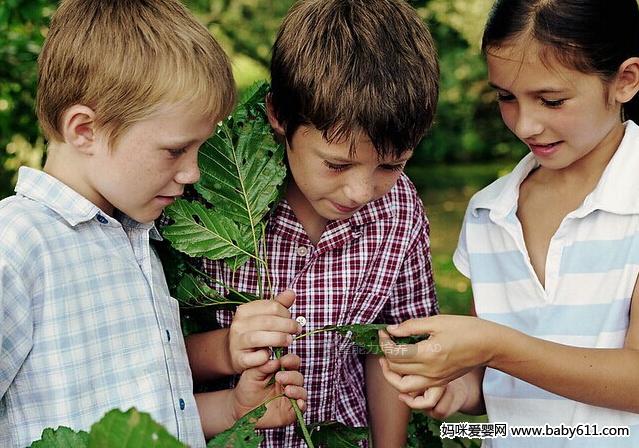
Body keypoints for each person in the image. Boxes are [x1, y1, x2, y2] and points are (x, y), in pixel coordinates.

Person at [0, 1, 307, 447]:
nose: (193, 172)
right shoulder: (17, 244)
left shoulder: (137, 240)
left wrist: (238, 409)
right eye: (175, 150)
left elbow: (159, 412)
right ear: (84, 130)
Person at [379, 0, 639, 446]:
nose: (525, 125)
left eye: (551, 100)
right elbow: (494, 378)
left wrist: (493, 345)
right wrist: (453, 386)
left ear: (625, 81)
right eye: (505, 97)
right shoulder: (488, 213)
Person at [188, 0, 440, 446]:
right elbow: (151, 353)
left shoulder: (399, 209)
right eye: (337, 165)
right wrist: (229, 347)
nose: (362, 192)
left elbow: (394, 348)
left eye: (391, 165)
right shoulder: (206, 196)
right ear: (279, 116)